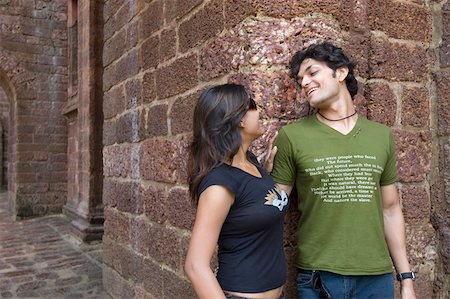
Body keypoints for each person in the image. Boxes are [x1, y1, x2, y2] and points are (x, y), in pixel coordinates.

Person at [271, 42, 417, 299]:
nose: (304, 83)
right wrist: (263, 179)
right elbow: (275, 207)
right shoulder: (291, 137)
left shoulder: (381, 136)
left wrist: (406, 280)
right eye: (300, 79)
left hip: (376, 278)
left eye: (312, 73)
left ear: (341, 72)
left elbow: (390, 210)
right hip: (319, 277)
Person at [184, 84, 289, 299]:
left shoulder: (251, 165)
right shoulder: (219, 185)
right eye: (253, 106)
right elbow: (195, 266)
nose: (259, 111)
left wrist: (266, 170)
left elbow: (251, 201)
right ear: (239, 119)